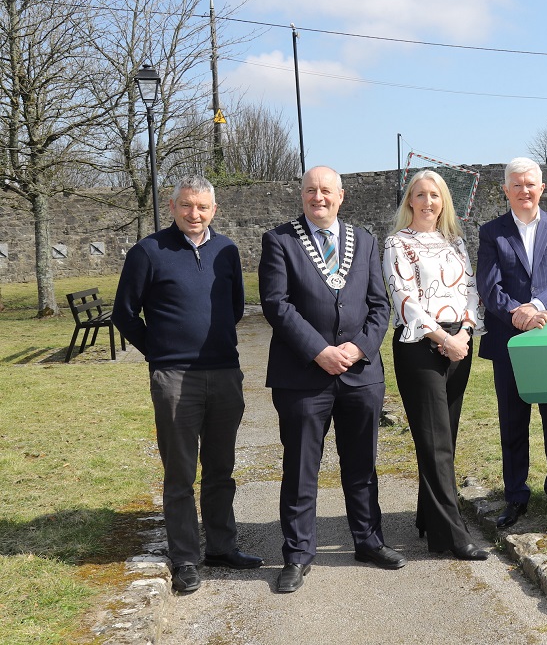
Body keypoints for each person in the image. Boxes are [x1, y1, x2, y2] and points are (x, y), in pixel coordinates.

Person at [112, 176, 262, 594]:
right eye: (186, 206)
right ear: (173, 206)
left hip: (225, 373)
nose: (194, 215)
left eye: (203, 207)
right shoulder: (148, 251)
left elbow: (234, 307)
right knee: (180, 472)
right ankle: (184, 557)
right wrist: (160, 352)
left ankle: (221, 546)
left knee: (221, 468)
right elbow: (124, 314)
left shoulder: (227, 250)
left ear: (214, 209)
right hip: (174, 378)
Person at [259, 165, 402, 594]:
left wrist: (358, 348)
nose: (318, 197)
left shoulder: (365, 240)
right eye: (310, 191)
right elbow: (277, 304)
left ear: (341, 196)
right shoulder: (279, 240)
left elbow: (380, 305)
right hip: (303, 375)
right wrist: (318, 351)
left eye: (326, 191)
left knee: (362, 466)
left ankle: (368, 540)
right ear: (301, 196)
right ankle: (298, 554)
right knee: (301, 468)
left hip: (360, 375)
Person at [382, 170, 488, 561]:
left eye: (436, 196)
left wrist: (464, 333)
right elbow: (405, 299)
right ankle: (451, 536)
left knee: (446, 440)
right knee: (435, 441)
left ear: (445, 201)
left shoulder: (455, 242)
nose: (428, 202)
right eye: (421, 195)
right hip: (420, 346)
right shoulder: (397, 243)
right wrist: (442, 338)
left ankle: (429, 517)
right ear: (410, 200)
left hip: (459, 342)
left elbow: (471, 291)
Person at [477, 157, 547, 528]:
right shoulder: (492, 232)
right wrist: (517, 314)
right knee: (513, 419)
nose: (524, 190)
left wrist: (536, 307)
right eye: (517, 185)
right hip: (509, 340)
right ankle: (516, 495)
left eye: (530, 184)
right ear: (506, 190)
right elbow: (489, 287)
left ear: (543, 187)